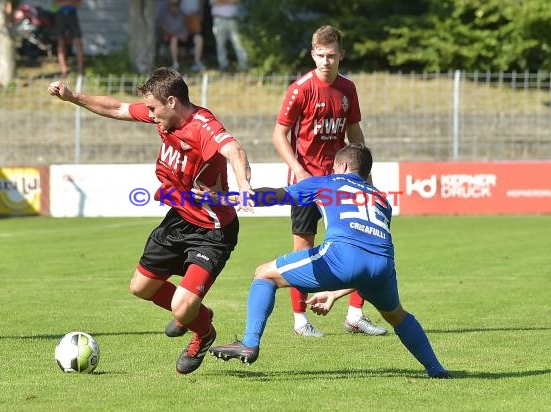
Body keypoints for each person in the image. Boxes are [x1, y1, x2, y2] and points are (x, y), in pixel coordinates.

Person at [47, 67, 254, 375]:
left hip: (212, 230)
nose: (151, 115)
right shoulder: (164, 116)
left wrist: (245, 187)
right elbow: (116, 108)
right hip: (178, 219)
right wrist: (73, 97)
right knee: (141, 287)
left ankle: (203, 331)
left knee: (181, 307)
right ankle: (195, 314)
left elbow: (233, 149)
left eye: (154, 109)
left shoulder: (202, 125)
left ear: (172, 101)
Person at [208, 144, 451, 379]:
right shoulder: (381, 199)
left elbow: (277, 196)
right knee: (397, 315)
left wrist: (224, 198)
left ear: (343, 166)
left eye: (335, 167)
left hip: (341, 255)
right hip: (382, 264)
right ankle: (436, 369)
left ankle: (249, 343)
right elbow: (364, 262)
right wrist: (334, 294)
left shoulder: (326, 182)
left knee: (264, 273)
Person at [272, 24, 386, 337]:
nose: (325, 61)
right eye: (320, 55)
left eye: (331, 56)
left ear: (341, 56)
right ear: (312, 55)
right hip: (307, 179)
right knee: (302, 250)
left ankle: (355, 315)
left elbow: (354, 133)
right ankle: (300, 320)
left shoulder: (348, 89)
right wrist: (298, 170)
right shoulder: (300, 89)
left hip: (342, 180)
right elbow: (279, 134)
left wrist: (366, 176)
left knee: (363, 244)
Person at [209, 0, 248, 72]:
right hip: (219, 19)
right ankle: (223, 65)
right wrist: (229, 2)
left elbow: (237, 1)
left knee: (238, 43)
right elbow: (214, 2)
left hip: (233, 19)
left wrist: (223, 1)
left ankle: (244, 65)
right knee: (220, 44)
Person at [53, 0, 84, 77]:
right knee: (60, 43)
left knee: (78, 42)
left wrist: (66, 2)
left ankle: (80, 70)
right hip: (60, 15)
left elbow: (78, 3)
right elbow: (57, 4)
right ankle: (64, 70)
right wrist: (70, 2)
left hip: (72, 15)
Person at [157, 0, 190, 70]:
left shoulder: (181, 14)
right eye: (173, 5)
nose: (175, 7)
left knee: (198, 38)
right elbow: (164, 29)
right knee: (174, 39)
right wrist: (178, 35)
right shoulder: (164, 15)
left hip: (182, 36)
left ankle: (196, 61)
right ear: (169, 5)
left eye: (176, 5)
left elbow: (186, 25)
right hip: (169, 37)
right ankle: (175, 63)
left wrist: (185, 33)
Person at [180, 0, 205, 71]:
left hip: (195, 16)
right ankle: (180, 61)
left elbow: (201, 2)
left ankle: (197, 61)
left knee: (198, 38)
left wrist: (201, 13)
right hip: (182, 16)